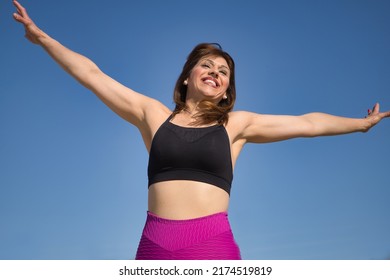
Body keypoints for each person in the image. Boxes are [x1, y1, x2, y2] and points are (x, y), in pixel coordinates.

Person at [12, 0, 390, 260]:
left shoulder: (237, 125)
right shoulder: (152, 115)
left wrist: (361, 125)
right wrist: (43, 38)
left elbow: (308, 123)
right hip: (154, 245)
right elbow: (93, 76)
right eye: (207, 65)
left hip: (212, 244)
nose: (216, 73)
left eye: (224, 71)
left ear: (228, 88)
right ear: (188, 76)